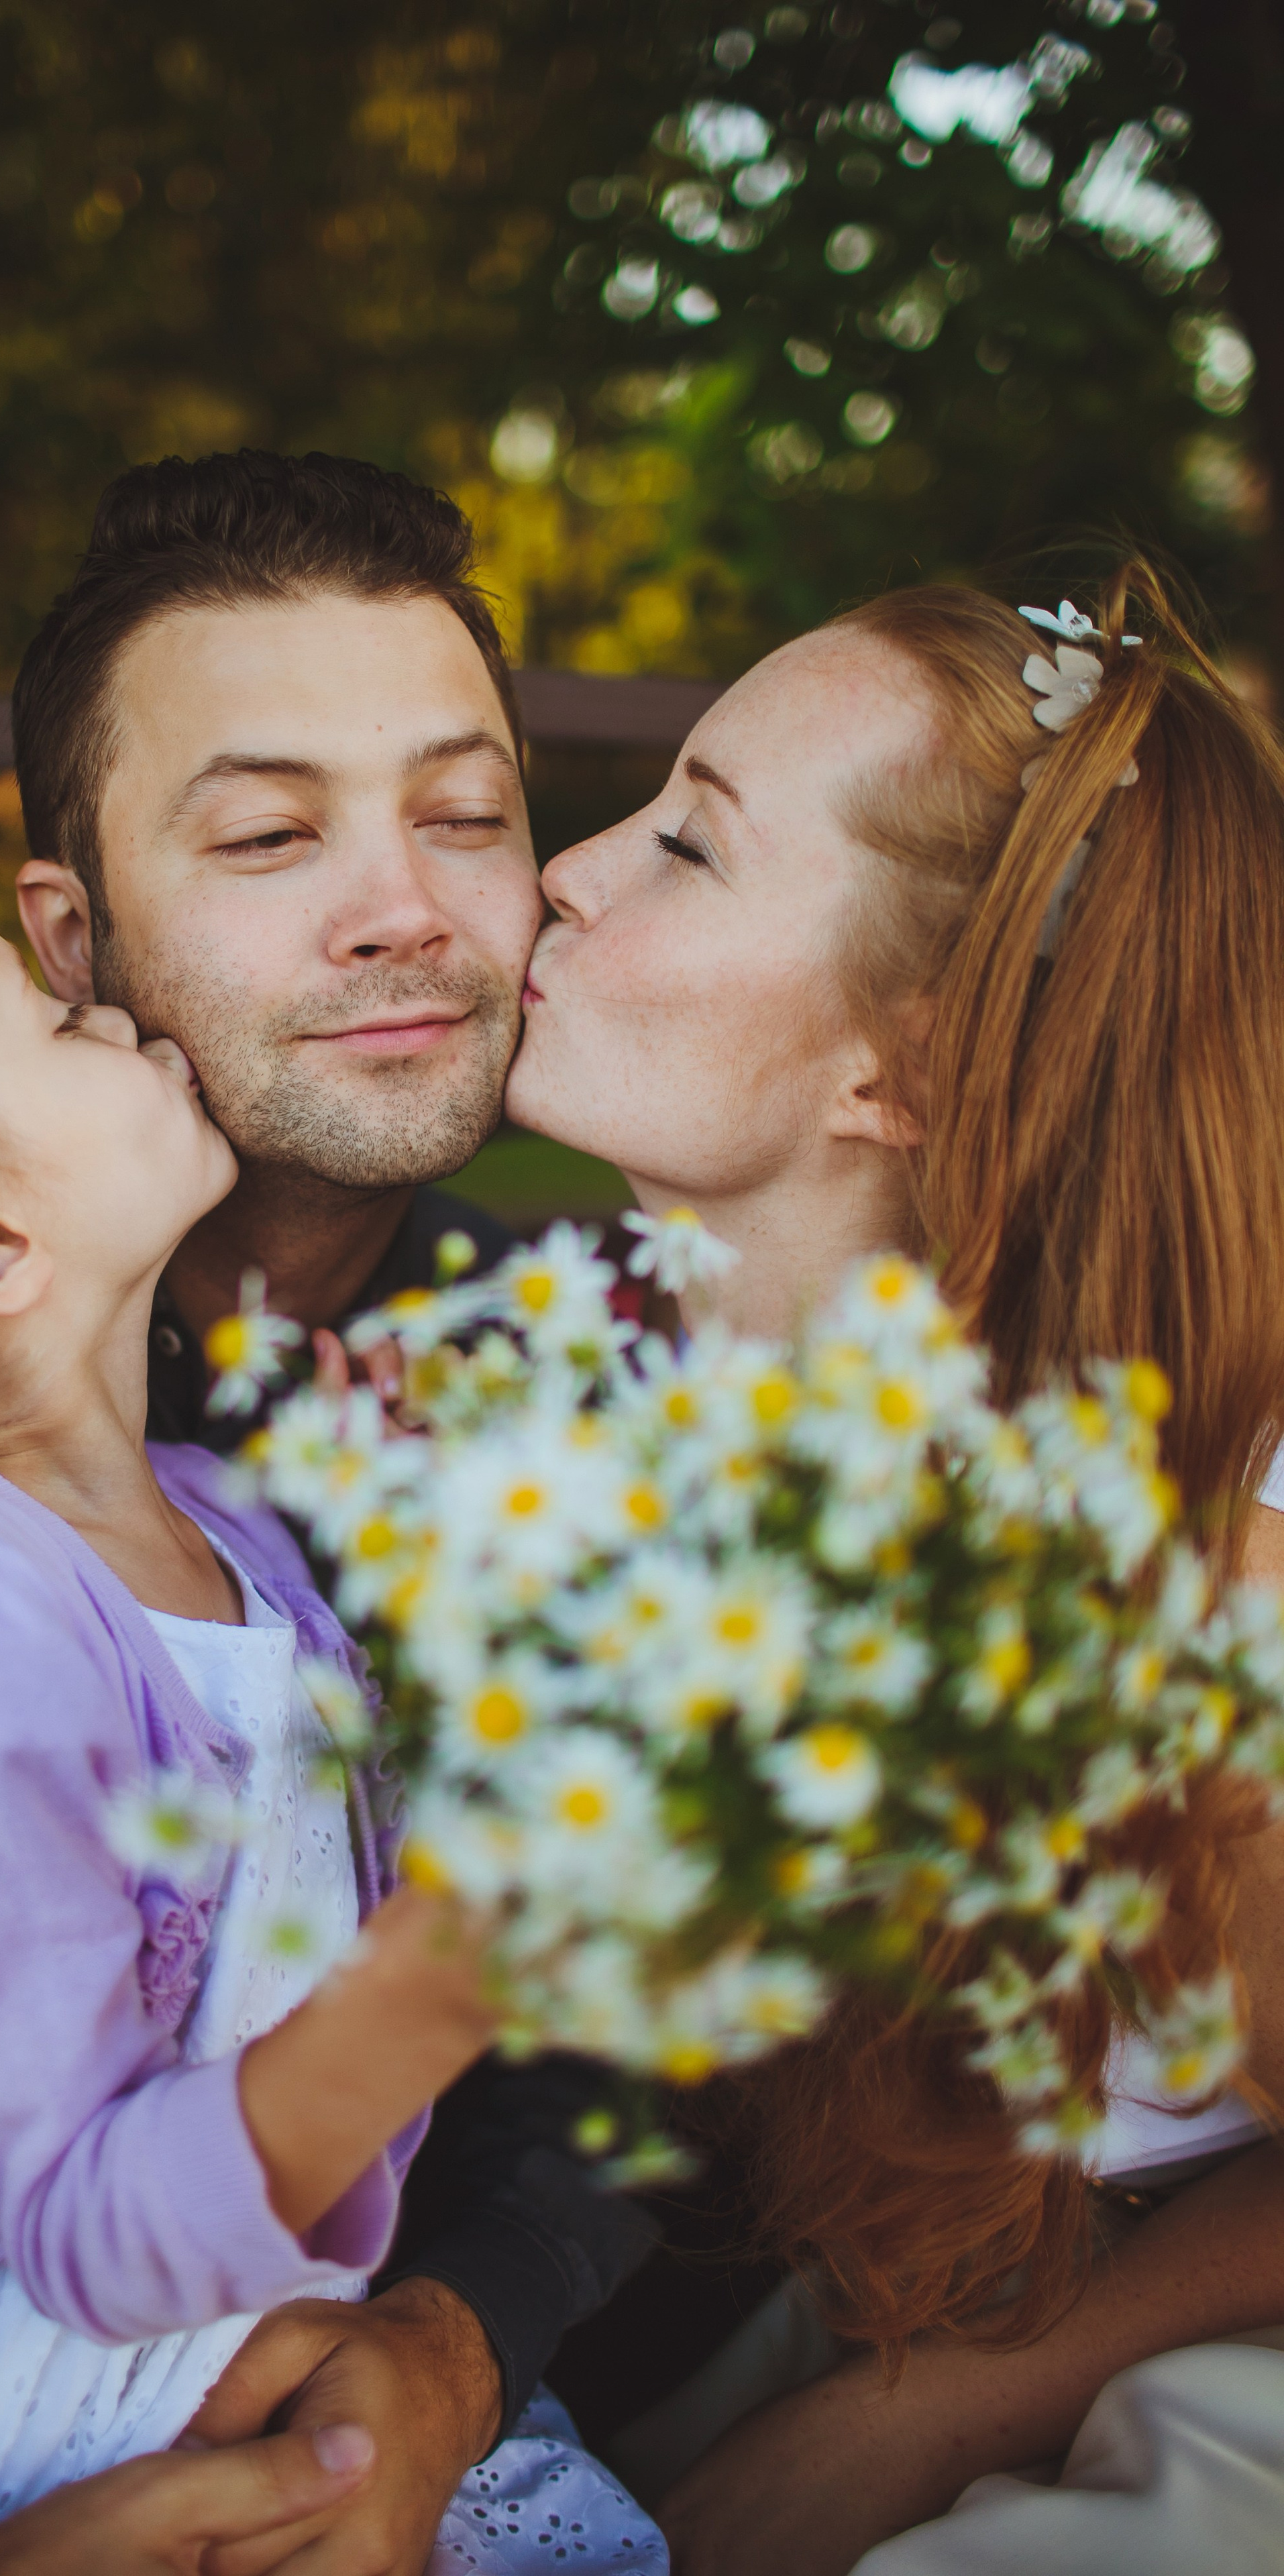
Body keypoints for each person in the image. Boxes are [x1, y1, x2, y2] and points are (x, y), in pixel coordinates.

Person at [0, 451, 659, 2575]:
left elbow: (609, 2068)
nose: (407, 908)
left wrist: (450, 2349)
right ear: (69, 942)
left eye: (467, 812)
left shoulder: (545, 1396)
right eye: (266, 833)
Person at [503, 561, 1284, 2575]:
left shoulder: (1186, 1590)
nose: (564, 874)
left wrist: (927, 2419)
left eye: (688, 839)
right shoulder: (680, 1443)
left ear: (903, 1069)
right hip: (911, 2270)